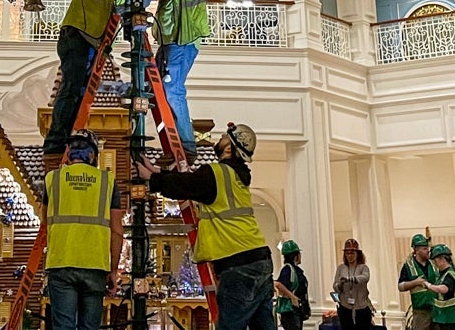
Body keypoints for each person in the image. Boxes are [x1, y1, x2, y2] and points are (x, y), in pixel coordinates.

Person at [135, 122, 274, 330]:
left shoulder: (217, 173)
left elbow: (186, 185)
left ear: (230, 147)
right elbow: (191, 182)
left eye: (226, 137)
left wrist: (151, 179)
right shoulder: (236, 177)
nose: (221, 139)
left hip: (238, 266)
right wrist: (157, 172)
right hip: (260, 260)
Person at [47, 0, 124, 157]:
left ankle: (68, 134)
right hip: (77, 37)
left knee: (80, 92)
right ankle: (56, 141)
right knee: (71, 89)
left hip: (93, 44)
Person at [44, 129, 125, 330]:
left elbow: (43, 221)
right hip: (95, 266)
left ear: (69, 152)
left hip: (61, 263)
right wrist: (113, 271)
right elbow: (117, 231)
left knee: (64, 326)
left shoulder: (52, 179)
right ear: (93, 155)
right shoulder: (107, 181)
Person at [151, 0, 210, 150]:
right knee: (160, 89)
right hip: (168, 41)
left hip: (182, 43)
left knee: (173, 89)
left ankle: (186, 144)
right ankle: (177, 137)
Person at [397, 234, 439, 330]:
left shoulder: (434, 264)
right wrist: (415, 282)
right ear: (416, 250)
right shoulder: (408, 266)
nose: (428, 250)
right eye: (424, 248)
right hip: (421, 311)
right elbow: (400, 286)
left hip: (437, 309)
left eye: (427, 248)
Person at [332, 239, 372, 330]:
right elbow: (335, 286)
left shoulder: (363, 267)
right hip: (345, 307)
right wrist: (340, 284)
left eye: (352, 253)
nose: (349, 256)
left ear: (357, 254)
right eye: (347, 253)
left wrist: (351, 279)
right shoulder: (341, 268)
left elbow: (365, 277)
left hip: (361, 307)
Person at [276, 240, 310, 330]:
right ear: (296, 256)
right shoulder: (288, 269)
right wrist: (292, 297)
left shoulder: (295, 270)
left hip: (297, 310)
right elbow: (278, 284)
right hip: (291, 312)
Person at [427, 244, 455, 327]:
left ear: (442, 259)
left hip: (451, 317)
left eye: (435, 260)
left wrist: (429, 286)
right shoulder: (441, 274)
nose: (435, 263)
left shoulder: (450, 274)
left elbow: (444, 289)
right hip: (442, 317)